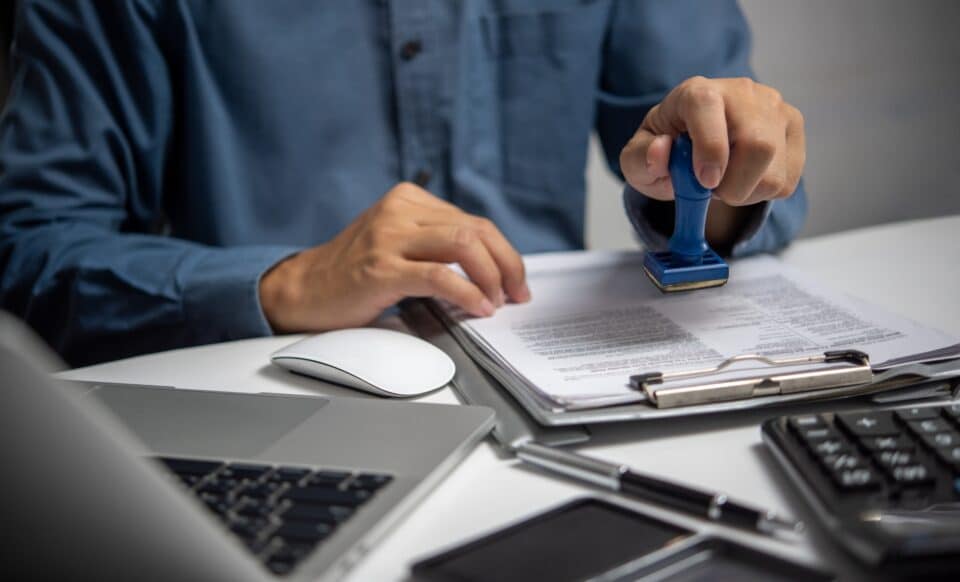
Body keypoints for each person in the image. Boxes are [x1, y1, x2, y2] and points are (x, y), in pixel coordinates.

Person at [0, 1, 807, 367]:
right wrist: (284, 282)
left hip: (575, 375)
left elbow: (745, 172)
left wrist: (718, 183)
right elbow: (29, 250)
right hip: (259, 383)